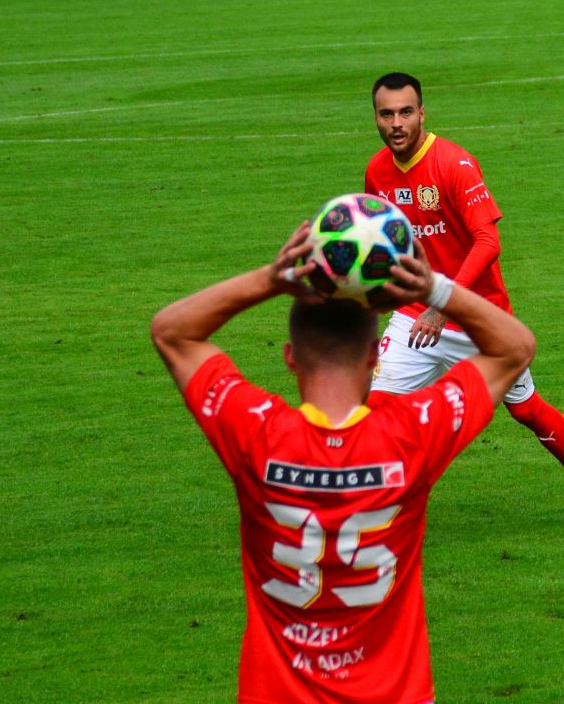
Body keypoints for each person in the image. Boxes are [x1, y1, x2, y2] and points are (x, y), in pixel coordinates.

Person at [151, 223, 535, 704]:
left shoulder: (256, 433)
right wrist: (433, 289)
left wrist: (271, 279)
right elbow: (515, 347)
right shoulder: (412, 434)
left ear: (290, 358)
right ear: (375, 356)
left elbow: (171, 332)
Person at [363, 72, 564, 533]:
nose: (396, 123)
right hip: (416, 315)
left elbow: (488, 241)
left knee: (525, 409)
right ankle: (386, 502)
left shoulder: (454, 164)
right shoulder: (377, 171)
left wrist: (444, 305)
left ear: (422, 114)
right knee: (375, 409)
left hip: (480, 318)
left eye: (405, 112)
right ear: (375, 117)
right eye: (386, 114)